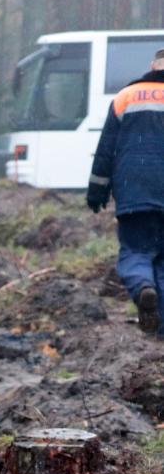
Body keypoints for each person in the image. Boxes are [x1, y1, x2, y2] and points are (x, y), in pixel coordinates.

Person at [87, 47, 164, 337]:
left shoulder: (126, 97)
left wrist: (97, 191)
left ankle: (143, 286)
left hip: (135, 193)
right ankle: (160, 330)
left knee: (136, 251)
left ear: (152, 67)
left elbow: (106, 151)